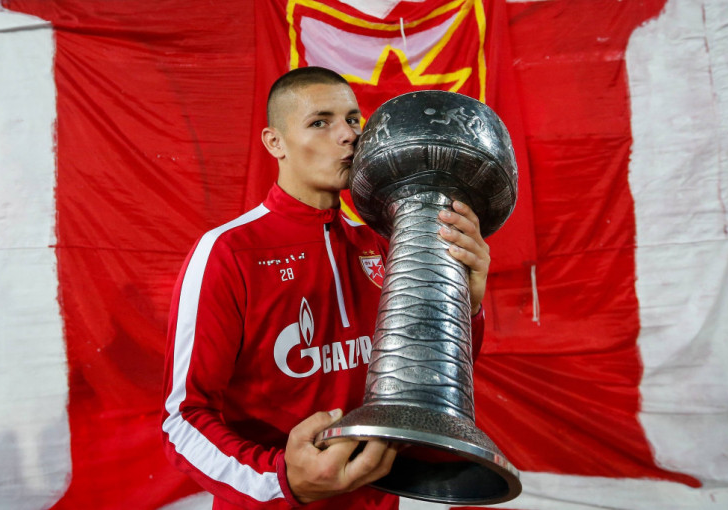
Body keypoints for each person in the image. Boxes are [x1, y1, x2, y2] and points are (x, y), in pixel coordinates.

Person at [161, 67, 491, 509]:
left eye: (353, 119)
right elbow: (183, 420)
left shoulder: (386, 242)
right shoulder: (229, 252)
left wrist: (465, 305)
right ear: (275, 142)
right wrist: (283, 479)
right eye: (321, 122)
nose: (349, 135)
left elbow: (429, 380)